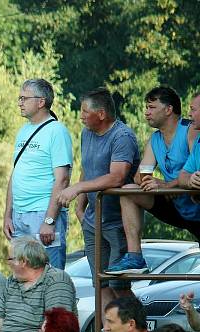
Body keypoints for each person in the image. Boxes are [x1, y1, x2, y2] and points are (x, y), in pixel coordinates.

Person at [58, 87, 139, 314]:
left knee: (118, 284)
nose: (81, 115)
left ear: (101, 114)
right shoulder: (87, 133)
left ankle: (139, 331)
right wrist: (81, 205)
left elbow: (117, 176)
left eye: (85, 111)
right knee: (100, 283)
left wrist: (77, 188)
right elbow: (87, 168)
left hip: (117, 222)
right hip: (93, 221)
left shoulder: (122, 137)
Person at [107, 86, 200, 274]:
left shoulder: (190, 130)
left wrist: (166, 185)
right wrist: (151, 181)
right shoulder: (155, 139)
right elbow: (140, 175)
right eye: (146, 107)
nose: (146, 112)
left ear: (168, 109)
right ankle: (134, 257)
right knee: (129, 190)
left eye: (151, 107)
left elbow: (193, 173)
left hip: (195, 205)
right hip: (174, 205)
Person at [2, 79, 72, 269]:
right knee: (21, 272)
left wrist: (49, 220)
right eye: (19, 98)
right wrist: (8, 215)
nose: (20, 102)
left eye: (24, 98)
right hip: (19, 217)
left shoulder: (56, 131)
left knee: (48, 275)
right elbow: (16, 174)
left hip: (43, 214)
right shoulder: (23, 131)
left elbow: (62, 179)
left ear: (41, 102)